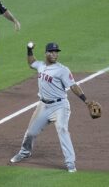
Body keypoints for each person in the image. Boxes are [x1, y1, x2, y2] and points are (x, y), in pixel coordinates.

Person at [10, 42, 96, 172]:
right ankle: (25, 152)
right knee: (31, 132)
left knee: (62, 130)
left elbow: (73, 86)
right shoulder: (41, 65)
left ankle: (70, 163)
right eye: (51, 52)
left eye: (56, 52)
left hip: (59, 106)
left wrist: (86, 100)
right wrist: (29, 50)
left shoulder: (62, 70)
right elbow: (31, 62)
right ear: (46, 53)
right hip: (43, 105)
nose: (54, 54)